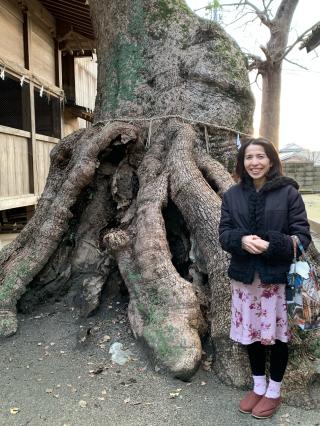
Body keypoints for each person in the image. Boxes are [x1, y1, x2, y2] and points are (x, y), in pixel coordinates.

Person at [218, 137, 311, 419]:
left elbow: (303, 237)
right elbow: (224, 234)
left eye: (260, 157)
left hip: (277, 279)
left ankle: (274, 390)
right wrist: (241, 239)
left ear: (271, 160)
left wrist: (273, 244)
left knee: (279, 337)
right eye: (249, 157)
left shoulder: (289, 193)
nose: (254, 162)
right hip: (246, 279)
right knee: (252, 334)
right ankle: (258, 386)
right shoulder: (231, 195)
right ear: (241, 162)